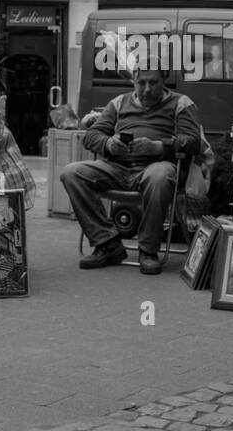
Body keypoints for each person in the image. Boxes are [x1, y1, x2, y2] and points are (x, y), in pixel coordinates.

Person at [60, 66, 201, 275]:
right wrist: (108, 144)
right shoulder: (119, 103)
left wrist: (160, 146)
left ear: (164, 80)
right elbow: (91, 136)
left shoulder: (181, 103)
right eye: (141, 83)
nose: (146, 89)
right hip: (117, 167)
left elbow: (192, 142)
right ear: (133, 81)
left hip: (154, 168)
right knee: (71, 173)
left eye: (153, 83)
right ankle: (107, 242)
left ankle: (148, 250)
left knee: (159, 176)